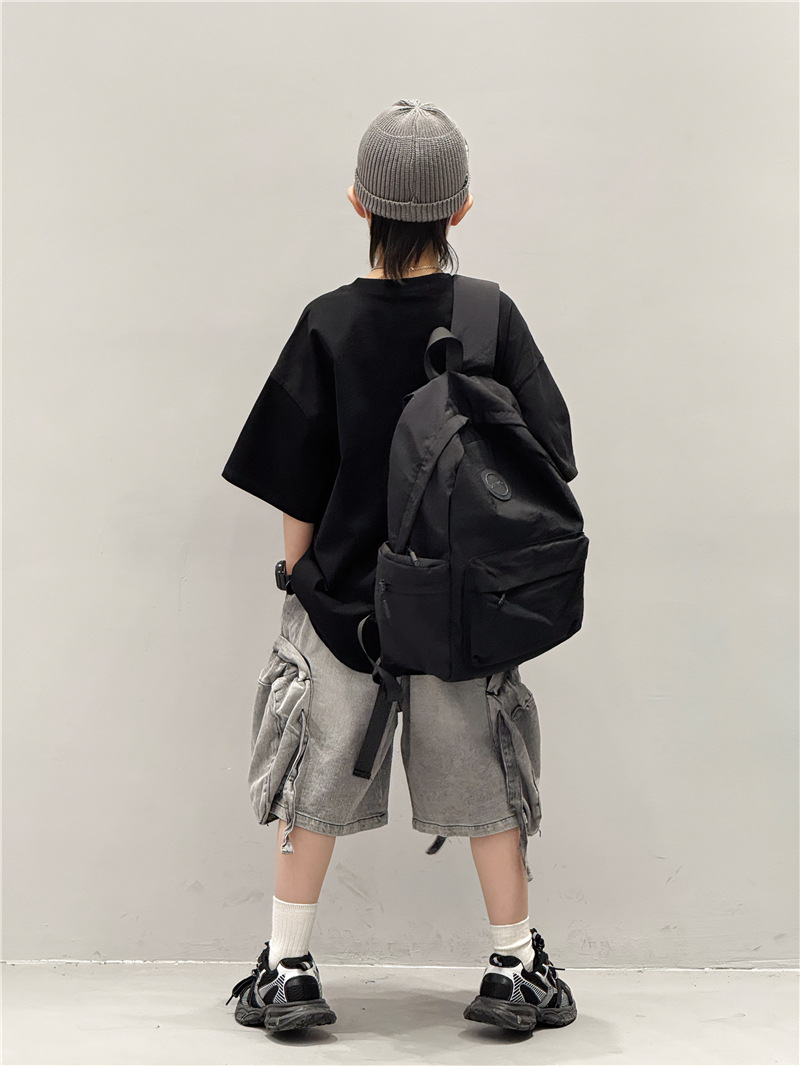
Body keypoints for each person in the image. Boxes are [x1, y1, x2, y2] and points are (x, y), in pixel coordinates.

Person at [222, 99, 579, 1036]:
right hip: (462, 609)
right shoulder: (489, 316)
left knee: (314, 780)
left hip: (345, 604)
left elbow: (296, 475)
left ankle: (288, 970)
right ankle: (515, 968)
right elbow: (551, 455)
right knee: (490, 784)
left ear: (357, 202)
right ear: (460, 209)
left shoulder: (328, 322)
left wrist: (301, 582)